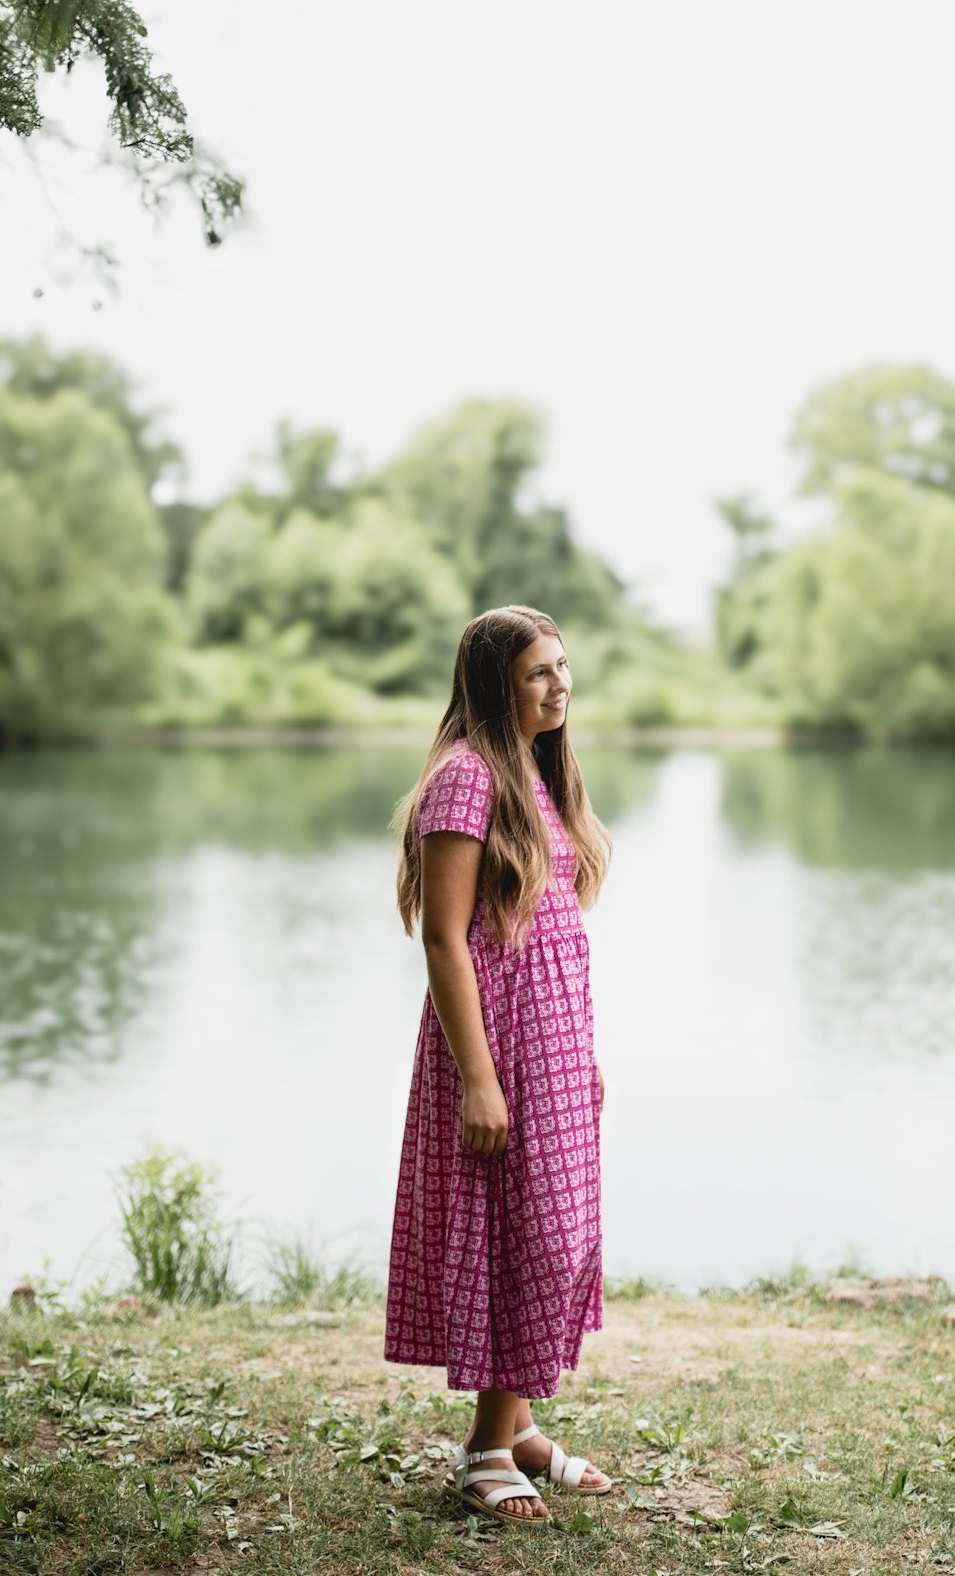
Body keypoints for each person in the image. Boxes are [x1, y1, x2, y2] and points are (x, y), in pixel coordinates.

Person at [385, 605, 614, 1523]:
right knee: (514, 1232)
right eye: (537, 673)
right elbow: (444, 939)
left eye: (562, 668)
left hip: (554, 1039)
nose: (559, 686)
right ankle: (485, 1445)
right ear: (493, 684)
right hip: (497, 1041)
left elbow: (553, 925)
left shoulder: (534, 770)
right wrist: (478, 1075)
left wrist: (583, 1050)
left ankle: (516, 1428)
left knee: (555, 1235)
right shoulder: (463, 779)